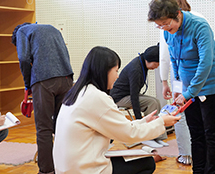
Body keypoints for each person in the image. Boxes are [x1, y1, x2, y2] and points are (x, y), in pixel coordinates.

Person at [53, 46, 181, 174]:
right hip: (84, 169)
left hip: (67, 166)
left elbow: (119, 126)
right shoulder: (96, 98)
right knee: (147, 163)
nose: (117, 76)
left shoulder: (78, 92)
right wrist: (162, 122)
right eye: (116, 70)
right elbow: (129, 134)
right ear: (104, 71)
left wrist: (144, 122)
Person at [148, 0, 215, 174]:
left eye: (167, 24)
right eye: (159, 26)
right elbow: (175, 60)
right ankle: (198, 171)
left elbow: (205, 63)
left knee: (212, 134)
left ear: (178, 14)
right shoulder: (167, 32)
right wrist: (179, 87)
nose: (164, 29)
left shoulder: (200, 26)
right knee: (196, 133)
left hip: (212, 86)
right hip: (188, 89)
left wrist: (189, 92)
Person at [12, 23, 74, 174]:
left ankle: (46, 171)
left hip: (44, 80)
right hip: (67, 78)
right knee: (63, 125)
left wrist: (28, 84)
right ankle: (66, 166)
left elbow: (24, 58)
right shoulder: (51, 28)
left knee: (44, 128)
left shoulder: (21, 31)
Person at [110, 44, 168, 148]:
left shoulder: (142, 62)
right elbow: (134, 96)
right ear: (150, 60)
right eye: (157, 63)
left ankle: (157, 137)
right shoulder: (135, 69)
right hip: (119, 98)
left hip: (128, 94)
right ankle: (148, 137)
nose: (157, 66)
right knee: (152, 102)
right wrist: (138, 120)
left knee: (156, 101)